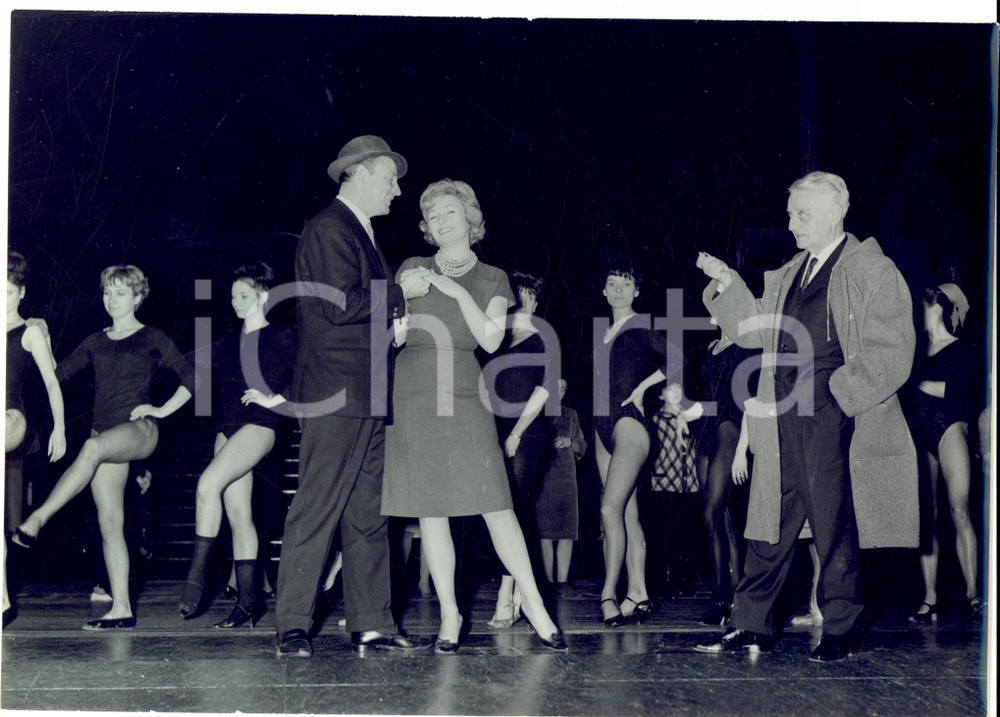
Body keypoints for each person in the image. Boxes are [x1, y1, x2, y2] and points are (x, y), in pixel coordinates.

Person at [694, 171, 918, 662]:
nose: (791, 223)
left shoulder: (870, 269)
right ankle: (751, 622)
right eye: (790, 213)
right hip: (783, 413)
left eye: (802, 213)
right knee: (770, 518)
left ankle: (843, 622)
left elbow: (893, 351)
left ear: (836, 211)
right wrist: (729, 284)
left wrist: (841, 396)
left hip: (832, 414)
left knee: (833, 518)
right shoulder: (792, 272)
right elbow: (754, 331)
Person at [382, 179, 566, 653]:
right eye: (432, 216)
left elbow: (488, 340)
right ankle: (450, 614)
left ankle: (537, 607)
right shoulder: (410, 267)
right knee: (432, 511)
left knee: (497, 507)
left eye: (449, 213)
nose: (440, 222)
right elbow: (391, 337)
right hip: (414, 390)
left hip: (464, 392)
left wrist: (449, 288)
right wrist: (399, 301)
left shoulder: (493, 279)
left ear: (470, 219)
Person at [274, 135, 431, 658]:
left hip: (368, 391)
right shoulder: (328, 227)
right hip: (337, 393)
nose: (397, 190)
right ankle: (292, 624)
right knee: (318, 506)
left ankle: (371, 622)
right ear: (359, 174)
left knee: (368, 514)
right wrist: (405, 289)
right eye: (390, 179)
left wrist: (394, 330)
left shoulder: (358, 230)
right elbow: (341, 303)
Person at [13, 265, 195, 630]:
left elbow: (194, 376)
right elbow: (56, 375)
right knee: (110, 522)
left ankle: (36, 520)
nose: (112, 300)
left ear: (138, 297)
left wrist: (160, 409)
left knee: (91, 449)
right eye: (108, 293)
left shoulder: (152, 336)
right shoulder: (95, 340)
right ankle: (121, 608)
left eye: (121, 293)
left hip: (141, 431)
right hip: (105, 433)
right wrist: (40, 335)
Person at [178, 261, 295, 629]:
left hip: (260, 426)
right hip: (227, 429)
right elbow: (184, 369)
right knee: (239, 515)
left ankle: (195, 579)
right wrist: (159, 407)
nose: (235, 301)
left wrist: (275, 399)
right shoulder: (228, 342)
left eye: (243, 295)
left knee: (206, 485)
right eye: (232, 296)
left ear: (262, 296)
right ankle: (248, 602)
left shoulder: (282, 337)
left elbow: (313, 376)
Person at [593, 257, 680, 628]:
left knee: (608, 511)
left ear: (637, 290)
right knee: (627, 514)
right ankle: (639, 594)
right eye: (612, 283)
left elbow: (677, 358)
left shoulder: (639, 324)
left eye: (625, 284)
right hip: (601, 428)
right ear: (603, 290)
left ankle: (608, 596)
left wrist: (644, 389)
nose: (618, 290)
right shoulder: (602, 331)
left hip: (630, 425)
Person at [904, 285, 984, 621]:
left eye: (919, 309)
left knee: (959, 508)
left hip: (949, 427)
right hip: (919, 436)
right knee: (927, 517)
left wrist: (914, 384)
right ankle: (930, 597)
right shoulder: (916, 352)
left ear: (935, 308)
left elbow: (955, 390)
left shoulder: (961, 349)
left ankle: (974, 594)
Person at [485, 270, 555, 628]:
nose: (520, 299)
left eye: (528, 293)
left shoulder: (542, 337)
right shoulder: (497, 340)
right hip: (496, 432)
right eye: (515, 293)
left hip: (526, 435)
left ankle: (508, 596)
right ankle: (516, 595)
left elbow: (545, 390)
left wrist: (515, 434)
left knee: (510, 510)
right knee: (506, 513)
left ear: (535, 299)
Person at [5, 251, 67, 624]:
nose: (2, 298)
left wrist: (59, 426)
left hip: (12, 418)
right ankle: (3, 601)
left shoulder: (30, 331)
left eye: (9, 292)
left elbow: (51, 381)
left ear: (22, 293)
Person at [694, 315, 758, 626]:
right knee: (724, 519)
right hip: (705, 432)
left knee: (711, 513)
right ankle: (737, 593)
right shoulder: (712, 348)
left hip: (730, 428)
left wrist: (742, 451)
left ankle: (721, 597)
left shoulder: (747, 347)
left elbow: (750, 402)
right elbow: (708, 400)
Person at [644, 381, 704, 600]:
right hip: (664, 483)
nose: (677, 391)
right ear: (661, 396)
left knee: (685, 536)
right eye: (670, 389)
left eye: (680, 388)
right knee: (663, 535)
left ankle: (683, 581)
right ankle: (661, 584)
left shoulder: (692, 416)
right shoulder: (655, 421)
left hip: (688, 484)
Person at [536, 378, 587, 594]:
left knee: (567, 532)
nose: (560, 391)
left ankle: (563, 581)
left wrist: (571, 443)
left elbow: (582, 444)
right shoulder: (537, 412)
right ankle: (548, 582)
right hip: (544, 479)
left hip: (567, 479)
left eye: (564, 388)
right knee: (545, 534)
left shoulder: (571, 415)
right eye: (556, 387)